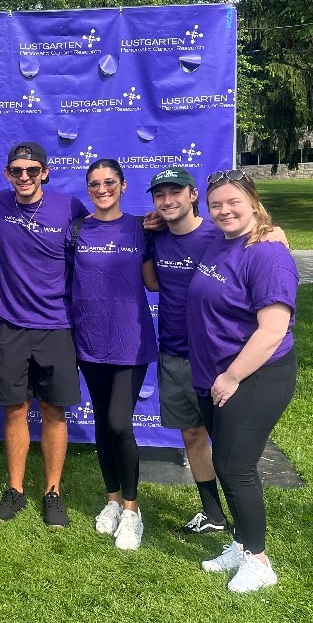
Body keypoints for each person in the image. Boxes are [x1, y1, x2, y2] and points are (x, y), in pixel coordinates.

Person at [188, 170, 297, 593]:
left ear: (253, 201)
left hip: (255, 374)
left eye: (233, 201)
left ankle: (260, 561)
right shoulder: (220, 240)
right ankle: (241, 543)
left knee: (237, 467)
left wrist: (231, 377)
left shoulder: (268, 254)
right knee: (225, 464)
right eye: (216, 204)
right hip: (217, 373)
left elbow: (272, 330)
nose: (224, 210)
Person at [0, 141, 87, 528]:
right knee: (14, 409)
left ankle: (53, 492)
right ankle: (15, 490)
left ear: (45, 172)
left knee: (53, 410)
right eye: (17, 170)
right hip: (10, 324)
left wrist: (148, 225)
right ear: (7, 174)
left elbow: (102, 233)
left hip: (56, 324)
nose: (24, 177)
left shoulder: (69, 207)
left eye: (32, 170)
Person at [68, 158, 158, 549]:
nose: (102, 189)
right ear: (88, 189)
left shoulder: (142, 227)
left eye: (109, 182)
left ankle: (133, 511)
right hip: (89, 342)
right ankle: (112, 501)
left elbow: (154, 282)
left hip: (131, 341)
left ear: (123, 185)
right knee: (104, 424)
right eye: (94, 184)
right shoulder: (76, 230)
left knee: (120, 424)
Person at [146, 167, 230, 534]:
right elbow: (153, 284)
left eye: (175, 192)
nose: (167, 201)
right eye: (160, 194)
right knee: (192, 435)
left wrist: (273, 232)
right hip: (174, 353)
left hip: (217, 357)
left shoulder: (219, 235)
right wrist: (145, 236)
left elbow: (258, 241)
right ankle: (213, 515)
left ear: (193, 195)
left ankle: (245, 522)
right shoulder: (157, 237)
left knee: (229, 444)